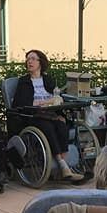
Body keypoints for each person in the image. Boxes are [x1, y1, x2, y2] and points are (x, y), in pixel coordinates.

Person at [11, 49, 84, 182]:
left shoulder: (48, 80)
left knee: (62, 126)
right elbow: (21, 103)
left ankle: (63, 166)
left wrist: (58, 112)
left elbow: (57, 97)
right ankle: (63, 166)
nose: (29, 62)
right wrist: (44, 102)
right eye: (28, 59)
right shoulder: (24, 81)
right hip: (33, 116)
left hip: (50, 114)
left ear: (40, 62)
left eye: (33, 59)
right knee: (48, 127)